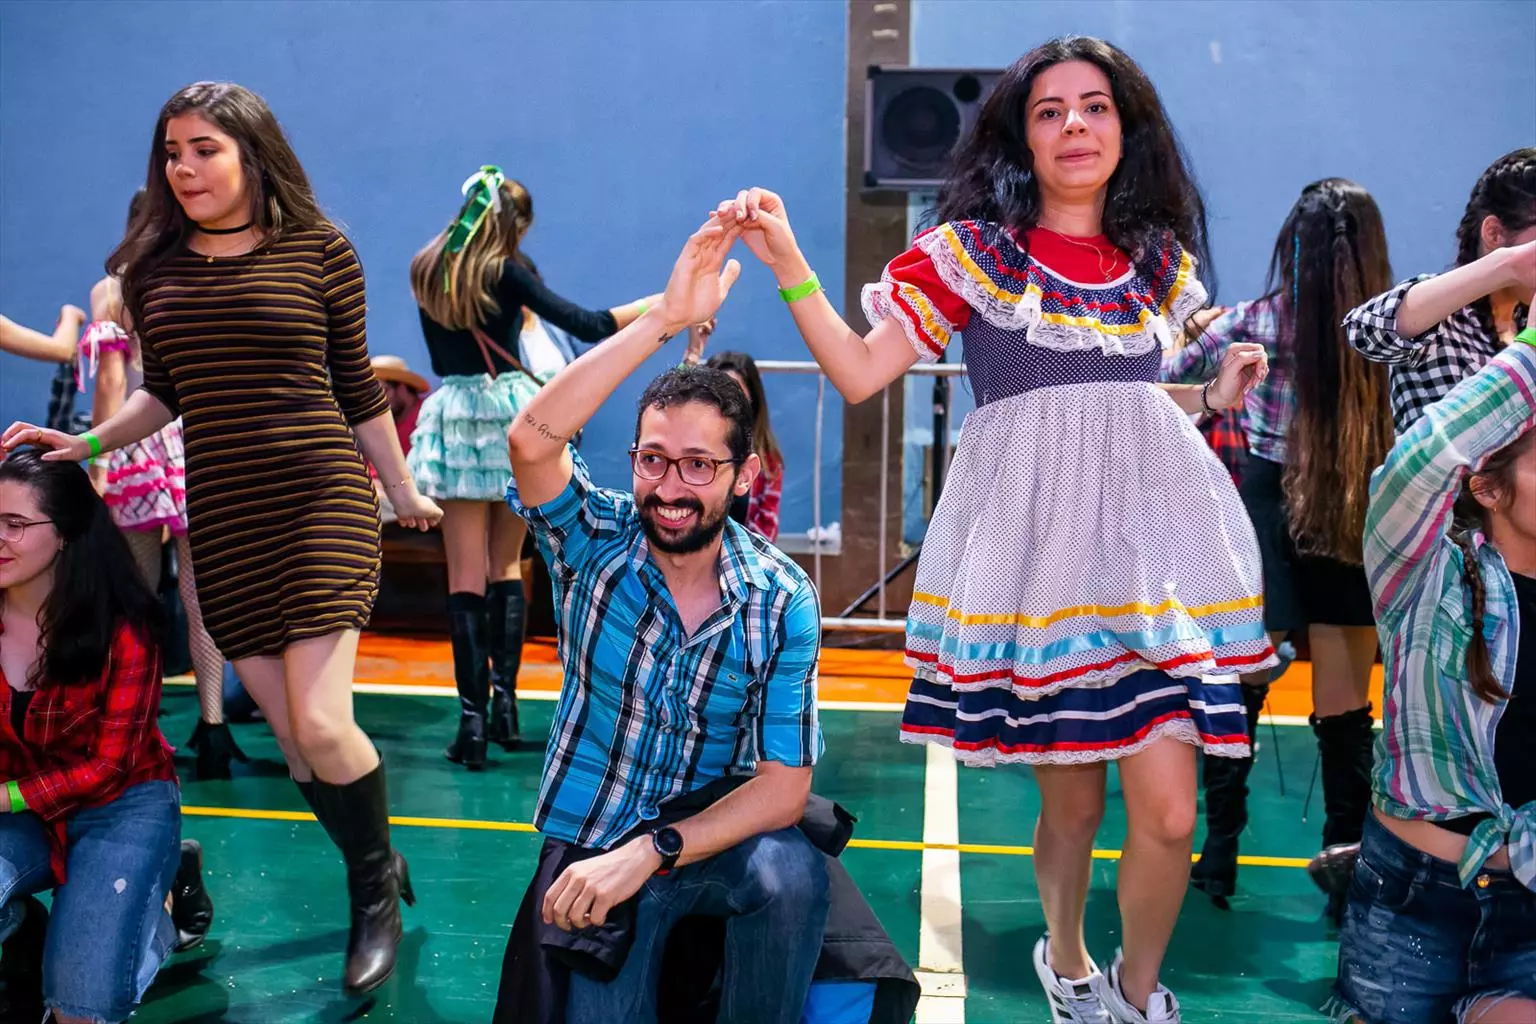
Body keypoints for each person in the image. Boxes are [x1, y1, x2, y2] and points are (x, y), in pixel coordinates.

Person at [713, 36, 1274, 1024]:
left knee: (1169, 813)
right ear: (1022, 137)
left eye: (1095, 107)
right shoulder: (976, 255)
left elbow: (1121, 406)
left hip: (1155, 561)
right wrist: (792, 262)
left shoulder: (1154, 263)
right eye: (1050, 111)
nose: (1075, 126)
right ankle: (1068, 960)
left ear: (1126, 128)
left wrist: (1212, 393)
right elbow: (859, 372)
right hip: (1046, 569)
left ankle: (1138, 994)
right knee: (1074, 808)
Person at [0, 80, 442, 995]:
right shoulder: (153, 270)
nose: (185, 168)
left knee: (323, 723)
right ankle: (375, 852)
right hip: (229, 514)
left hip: (320, 498)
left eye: (205, 149)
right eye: (172, 152)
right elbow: (164, 392)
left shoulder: (320, 249)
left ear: (252, 153)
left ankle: (372, 894)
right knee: (296, 747)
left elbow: (357, 386)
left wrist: (401, 492)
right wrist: (85, 442)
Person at [494, 218, 833, 1022]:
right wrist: (664, 320)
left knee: (792, 875)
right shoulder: (594, 542)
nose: (671, 487)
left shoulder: (780, 598)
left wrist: (656, 850)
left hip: (704, 841)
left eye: (699, 465)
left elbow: (784, 789)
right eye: (653, 459)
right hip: (593, 842)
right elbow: (530, 441)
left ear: (744, 475)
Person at [1163, 179, 1396, 919]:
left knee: (1239, 689)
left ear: (1291, 248)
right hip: (1351, 511)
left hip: (1262, 512)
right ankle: (1345, 867)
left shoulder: (1249, 324)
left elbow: (1157, 377)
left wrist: (1190, 328)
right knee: (1345, 710)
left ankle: (1219, 855)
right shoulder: (1385, 333)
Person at [407, 166, 654, 770]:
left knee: (464, 574)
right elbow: (589, 325)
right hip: (511, 414)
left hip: (454, 417)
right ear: (513, 223)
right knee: (507, 564)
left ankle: (470, 725)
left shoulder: (426, 269)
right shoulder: (507, 272)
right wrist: (663, 305)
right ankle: (506, 705)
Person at [1330, 329, 1536, 1024]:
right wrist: (1532, 347)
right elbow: (1420, 461)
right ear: (1488, 488)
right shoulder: (1424, 576)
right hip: (1411, 908)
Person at [0, 448, 212, 1024]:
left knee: (79, 1012)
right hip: (20, 804)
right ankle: (22, 930)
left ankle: (161, 909)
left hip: (119, 805)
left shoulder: (123, 627)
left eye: (15, 524)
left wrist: (8, 796)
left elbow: (109, 767)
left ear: (65, 534)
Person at [82, 189, 239, 781]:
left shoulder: (113, 289)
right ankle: (214, 726)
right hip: (195, 441)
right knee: (203, 596)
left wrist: (98, 459)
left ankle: (137, 723)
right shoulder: (197, 274)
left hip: (138, 445)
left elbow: (112, 383)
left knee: (138, 596)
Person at [1347, 148, 1535, 433]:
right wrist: (1507, 265)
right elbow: (1364, 331)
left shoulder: (1525, 322)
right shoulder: (1444, 316)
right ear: (1494, 233)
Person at [683, 323, 786, 544]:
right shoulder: (686, 445)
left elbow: (766, 533)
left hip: (739, 559)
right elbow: (675, 404)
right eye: (717, 394)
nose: (726, 404)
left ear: (753, 400)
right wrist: (693, 353)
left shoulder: (768, 461)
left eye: (736, 394)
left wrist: (726, 559)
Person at [368, 354, 429, 524]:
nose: (372, 401)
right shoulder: (377, 423)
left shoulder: (428, 417)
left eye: (380, 391)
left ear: (401, 388)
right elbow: (374, 475)